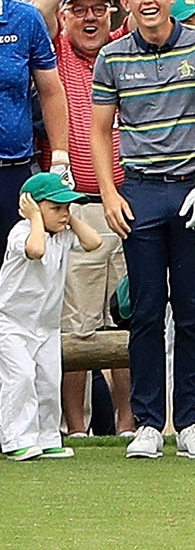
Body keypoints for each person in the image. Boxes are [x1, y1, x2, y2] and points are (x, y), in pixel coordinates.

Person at [89, 0, 195, 460]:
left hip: (192, 186)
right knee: (146, 310)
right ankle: (150, 422)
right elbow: (101, 131)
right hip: (141, 190)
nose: (147, 1)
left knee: (192, 311)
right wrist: (109, 193)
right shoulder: (112, 57)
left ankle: (192, 419)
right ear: (125, 3)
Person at [30, 0, 134, 434]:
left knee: (130, 319)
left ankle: (127, 423)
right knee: (77, 324)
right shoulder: (53, 51)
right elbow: (39, 6)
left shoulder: (122, 49)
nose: (91, 16)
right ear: (67, 17)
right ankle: (75, 426)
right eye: (81, 9)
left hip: (127, 202)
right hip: (75, 210)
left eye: (100, 7)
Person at [1, 170, 101, 459]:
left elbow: (94, 242)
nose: (63, 214)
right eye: (56, 208)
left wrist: (71, 217)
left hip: (46, 325)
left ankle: (46, 436)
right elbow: (35, 250)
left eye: (67, 207)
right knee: (20, 378)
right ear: (32, 206)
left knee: (48, 380)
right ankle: (15, 438)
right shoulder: (22, 232)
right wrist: (34, 218)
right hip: (11, 323)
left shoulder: (65, 235)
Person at [0, 0, 64, 227]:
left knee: (16, 267)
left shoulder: (25, 19)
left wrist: (61, 156)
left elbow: (51, 92)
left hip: (14, 169)